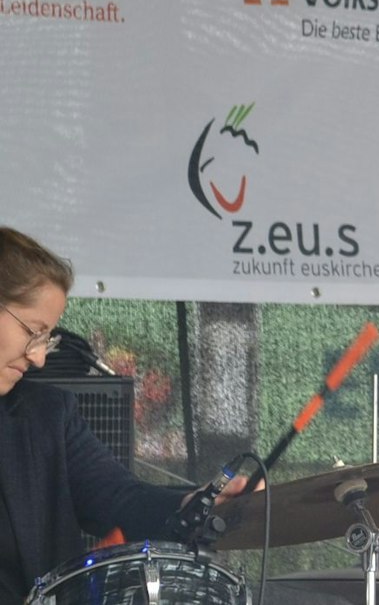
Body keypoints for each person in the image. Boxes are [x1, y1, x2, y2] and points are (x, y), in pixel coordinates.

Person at [0, 227, 252, 601]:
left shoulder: (47, 417)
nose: (38, 357)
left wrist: (189, 505)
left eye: (46, 340)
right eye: (33, 332)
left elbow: (120, 498)